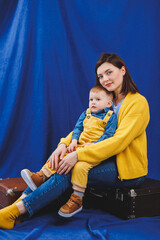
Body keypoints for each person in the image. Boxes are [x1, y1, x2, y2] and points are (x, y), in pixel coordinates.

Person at [0, 53, 150, 229]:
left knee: (69, 169)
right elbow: (85, 127)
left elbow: (119, 141)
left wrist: (78, 154)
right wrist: (63, 145)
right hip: (99, 157)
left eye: (109, 72)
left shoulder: (137, 103)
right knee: (60, 161)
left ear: (122, 70)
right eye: (101, 76)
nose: (105, 79)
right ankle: (13, 211)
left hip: (125, 169)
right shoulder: (105, 99)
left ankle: (12, 212)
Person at [20, 85, 117, 217]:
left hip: (95, 150)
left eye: (97, 99)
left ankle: (77, 198)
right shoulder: (86, 113)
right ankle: (41, 175)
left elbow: (108, 136)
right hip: (79, 146)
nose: (93, 102)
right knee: (61, 156)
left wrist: (94, 144)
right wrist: (73, 141)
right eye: (91, 99)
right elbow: (77, 129)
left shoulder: (111, 117)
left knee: (80, 167)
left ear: (108, 103)